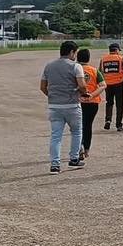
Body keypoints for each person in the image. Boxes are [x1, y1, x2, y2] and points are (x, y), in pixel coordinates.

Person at [40, 40, 87, 173]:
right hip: (72, 105)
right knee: (77, 132)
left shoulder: (49, 66)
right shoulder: (76, 66)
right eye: (75, 53)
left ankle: (55, 164)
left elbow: (43, 87)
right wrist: (84, 92)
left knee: (56, 136)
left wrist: (52, 96)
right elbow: (82, 85)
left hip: (55, 106)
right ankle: (74, 158)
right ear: (72, 52)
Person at [77, 47, 103, 160]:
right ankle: (86, 149)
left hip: (78, 101)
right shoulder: (94, 70)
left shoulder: (74, 69)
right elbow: (103, 85)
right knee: (88, 125)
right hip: (92, 102)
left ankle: (79, 147)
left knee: (78, 126)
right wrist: (93, 95)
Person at [99, 42, 123, 131]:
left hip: (107, 84)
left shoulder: (103, 59)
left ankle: (108, 120)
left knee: (109, 103)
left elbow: (100, 73)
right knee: (119, 104)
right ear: (116, 50)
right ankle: (118, 125)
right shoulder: (120, 58)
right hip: (118, 84)